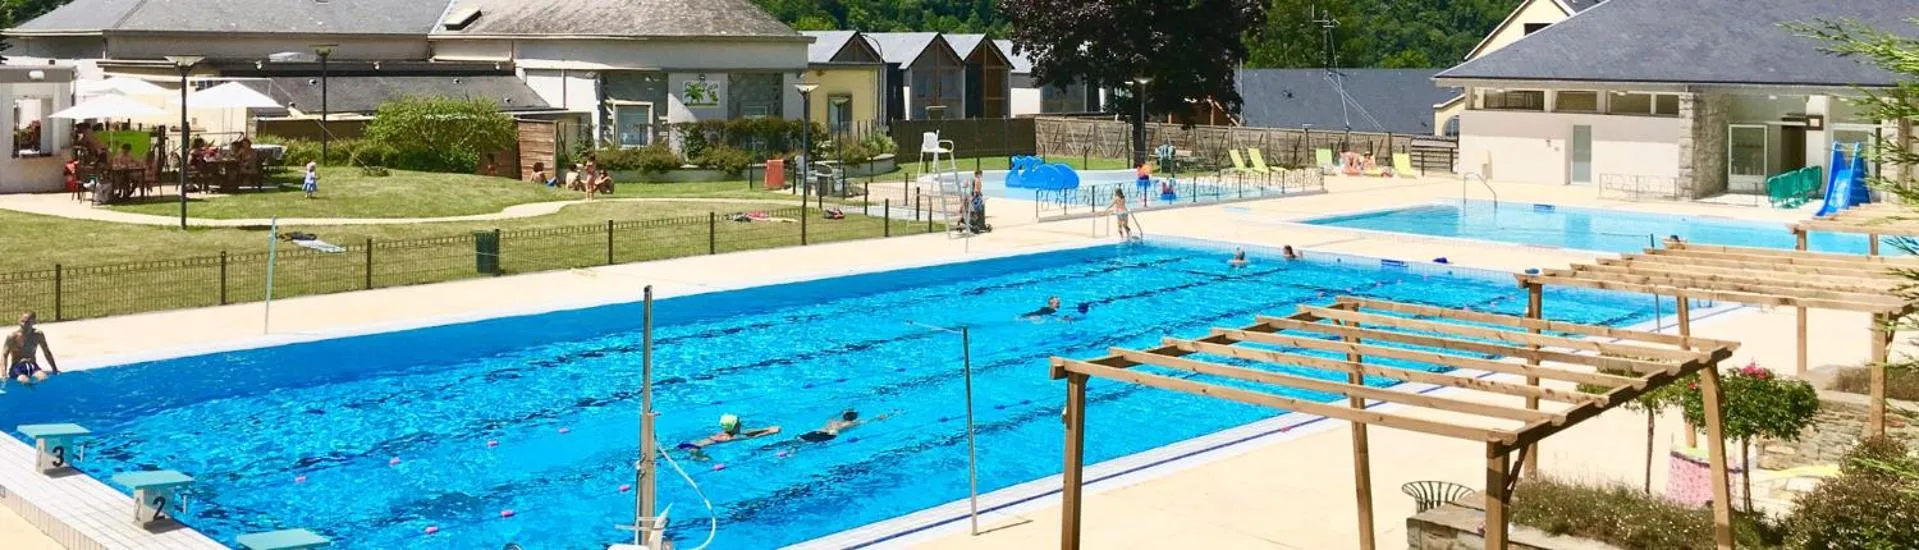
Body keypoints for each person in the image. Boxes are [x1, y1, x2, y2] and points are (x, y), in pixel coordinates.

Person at [677, 414, 781, 460]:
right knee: (705, 459)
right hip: (694, 448)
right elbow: (750, 437)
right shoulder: (729, 438)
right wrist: (769, 432)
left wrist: (767, 428)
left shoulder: (724, 433)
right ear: (734, 427)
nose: (741, 424)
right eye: (739, 423)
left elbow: (746, 433)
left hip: (687, 444)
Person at [4, 312, 58, 385]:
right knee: (24, 381)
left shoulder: (38, 335)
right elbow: (4, 355)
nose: (24, 324)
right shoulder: (12, 336)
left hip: (32, 365)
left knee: (44, 379)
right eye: (22, 321)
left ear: (34, 322)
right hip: (17, 367)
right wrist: (3, 374)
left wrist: (55, 369)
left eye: (27, 322)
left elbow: (46, 352)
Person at [797, 410, 882, 443]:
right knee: (805, 444)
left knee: (799, 440)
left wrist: (842, 412)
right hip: (830, 435)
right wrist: (878, 417)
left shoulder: (833, 420)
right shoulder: (852, 423)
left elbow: (831, 416)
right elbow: (867, 421)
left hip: (817, 431)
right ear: (854, 418)